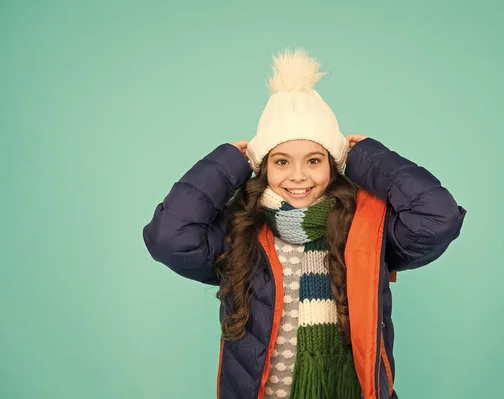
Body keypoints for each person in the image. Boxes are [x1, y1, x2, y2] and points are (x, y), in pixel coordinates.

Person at [142, 48, 467, 399]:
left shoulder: (366, 231)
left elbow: (438, 218)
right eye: (281, 161)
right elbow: (169, 238)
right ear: (262, 167)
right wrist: (227, 164)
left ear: (333, 165)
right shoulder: (241, 232)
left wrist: (369, 159)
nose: (298, 176)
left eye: (313, 160)